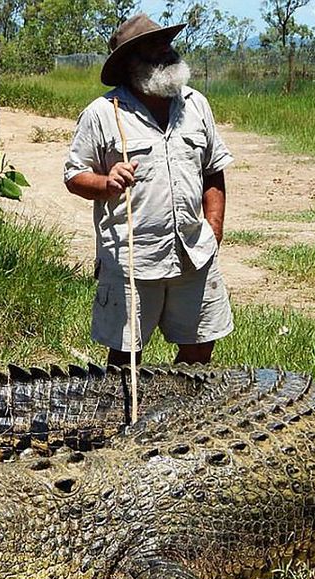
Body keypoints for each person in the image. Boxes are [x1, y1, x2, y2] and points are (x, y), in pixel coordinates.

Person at [64, 13, 234, 367]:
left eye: (166, 44)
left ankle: (182, 419)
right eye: (153, 48)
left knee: (200, 348)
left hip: (193, 252)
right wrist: (107, 181)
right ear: (130, 64)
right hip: (133, 257)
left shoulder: (195, 105)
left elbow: (213, 170)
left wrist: (214, 226)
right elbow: (74, 176)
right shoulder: (103, 113)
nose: (166, 52)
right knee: (126, 357)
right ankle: (126, 420)